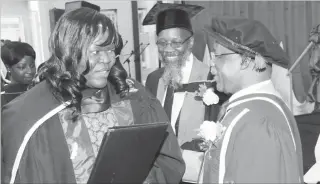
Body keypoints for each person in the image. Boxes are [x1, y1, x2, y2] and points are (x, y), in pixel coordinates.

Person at [1, 7, 184, 184]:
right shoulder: (30, 115)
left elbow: (168, 160)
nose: (107, 60)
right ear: (69, 51)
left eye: (111, 49)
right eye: (96, 51)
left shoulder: (134, 97)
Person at [201, 16, 304, 183]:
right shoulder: (249, 112)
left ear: (247, 61)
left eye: (218, 56)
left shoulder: (259, 123)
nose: (212, 65)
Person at [142, 3, 229, 182]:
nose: (167, 49)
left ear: (190, 42)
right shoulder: (153, 79)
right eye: (162, 42)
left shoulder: (211, 79)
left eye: (176, 42)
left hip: (196, 174)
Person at [1, 41, 36, 106]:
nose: (30, 71)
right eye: (22, 67)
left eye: (32, 66)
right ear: (8, 67)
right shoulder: (4, 96)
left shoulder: (39, 88)